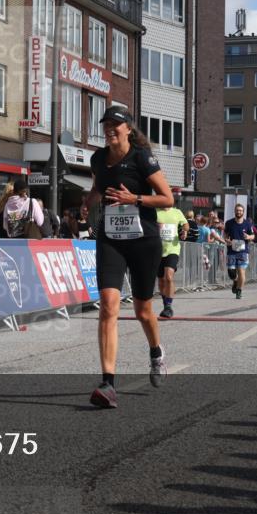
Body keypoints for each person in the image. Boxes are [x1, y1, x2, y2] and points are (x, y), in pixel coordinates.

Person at [80, 107, 173, 408]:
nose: (110, 129)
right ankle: (108, 383)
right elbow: (98, 187)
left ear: (128, 129)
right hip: (111, 239)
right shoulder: (98, 158)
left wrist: (135, 198)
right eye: (106, 124)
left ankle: (156, 352)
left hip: (143, 240)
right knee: (108, 305)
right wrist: (89, 202)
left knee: (143, 311)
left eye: (115, 124)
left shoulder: (142, 158)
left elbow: (168, 198)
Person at [156, 201, 188, 318]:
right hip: (157, 250)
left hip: (173, 249)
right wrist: (156, 226)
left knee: (168, 276)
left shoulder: (177, 212)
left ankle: (169, 306)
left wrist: (184, 230)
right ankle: (165, 304)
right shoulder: (155, 212)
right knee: (161, 280)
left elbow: (186, 224)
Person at [224, 203, 256, 299]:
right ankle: (235, 280)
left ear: (243, 212)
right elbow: (225, 234)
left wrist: (248, 237)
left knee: (241, 272)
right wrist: (227, 240)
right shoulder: (229, 223)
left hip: (243, 252)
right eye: (237, 210)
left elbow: (253, 236)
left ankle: (239, 290)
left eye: (240, 210)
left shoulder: (247, 224)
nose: (239, 212)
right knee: (231, 273)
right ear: (235, 211)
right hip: (231, 251)